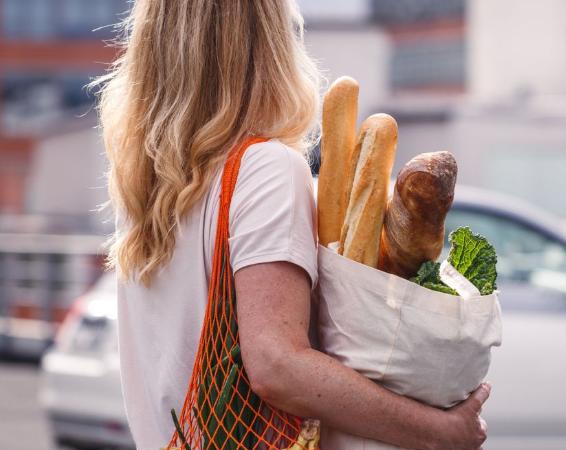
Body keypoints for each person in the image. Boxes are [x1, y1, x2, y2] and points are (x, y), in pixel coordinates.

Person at [93, 1, 490, 450]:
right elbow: (277, 365)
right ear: (268, 45)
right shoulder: (263, 168)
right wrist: (437, 431)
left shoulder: (147, 181)